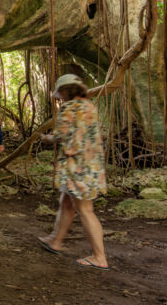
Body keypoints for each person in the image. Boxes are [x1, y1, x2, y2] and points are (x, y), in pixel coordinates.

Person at [38, 74, 109, 270]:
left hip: (77, 166)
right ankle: (55, 240)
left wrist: (46, 138)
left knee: (85, 210)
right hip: (92, 164)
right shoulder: (89, 106)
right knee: (66, 202)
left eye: (60, 92)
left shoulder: (68, 108)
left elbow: (61, 135)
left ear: (66, 90)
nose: (59, 96)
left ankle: (99, 257)